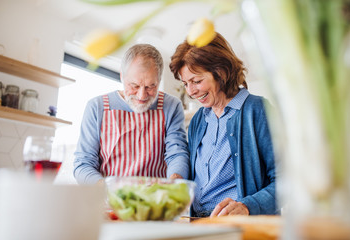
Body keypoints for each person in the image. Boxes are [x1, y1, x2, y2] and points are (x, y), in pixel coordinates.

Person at [169, 32, 278, 217]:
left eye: (196, 81)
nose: (191, 91)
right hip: (198, 222)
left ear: (221, 72)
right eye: (186, 83)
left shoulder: (258, 110)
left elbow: (289, 181)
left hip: (241, 226)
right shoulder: (198, 120)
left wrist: (247, 206)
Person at [74, 44, 189, 184]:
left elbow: (177, 153)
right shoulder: (97, 107)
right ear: (122, 76)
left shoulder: (171, 106)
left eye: (150, 86)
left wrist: (173, 183)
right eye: (134, 85)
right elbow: (83, 164)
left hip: (154, 199)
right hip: (108, 200)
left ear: (159, 81)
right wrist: (106, 189)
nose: (142, 95)